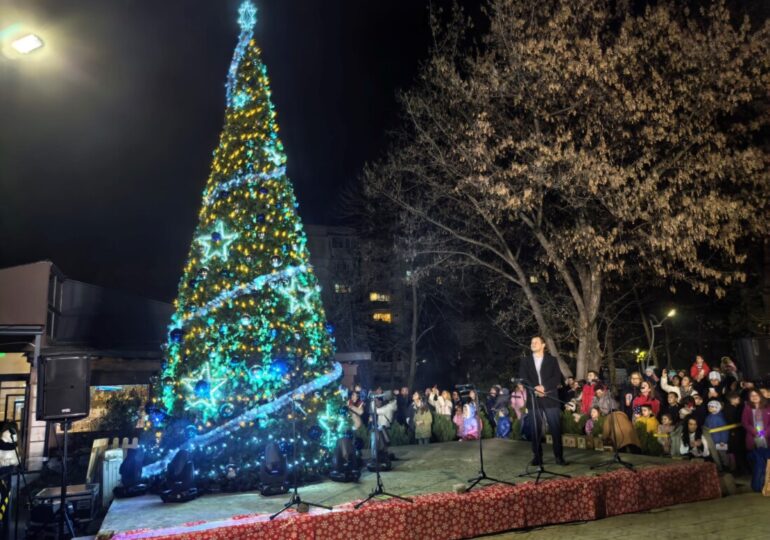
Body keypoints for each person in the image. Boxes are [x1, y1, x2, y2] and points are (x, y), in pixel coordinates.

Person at [518, 335, 567, 466]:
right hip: (534, 400)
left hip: (550, 398)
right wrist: (535, 388)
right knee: (535, 429)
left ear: (543, 345)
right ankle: (537, 457)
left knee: (555, 429)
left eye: (536, 342)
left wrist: (543, 387)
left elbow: (557, 378)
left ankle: (559, 457)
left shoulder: (552, 360)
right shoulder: (525, 361)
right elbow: (523, 378)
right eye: (531, 342)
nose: (533, 344)